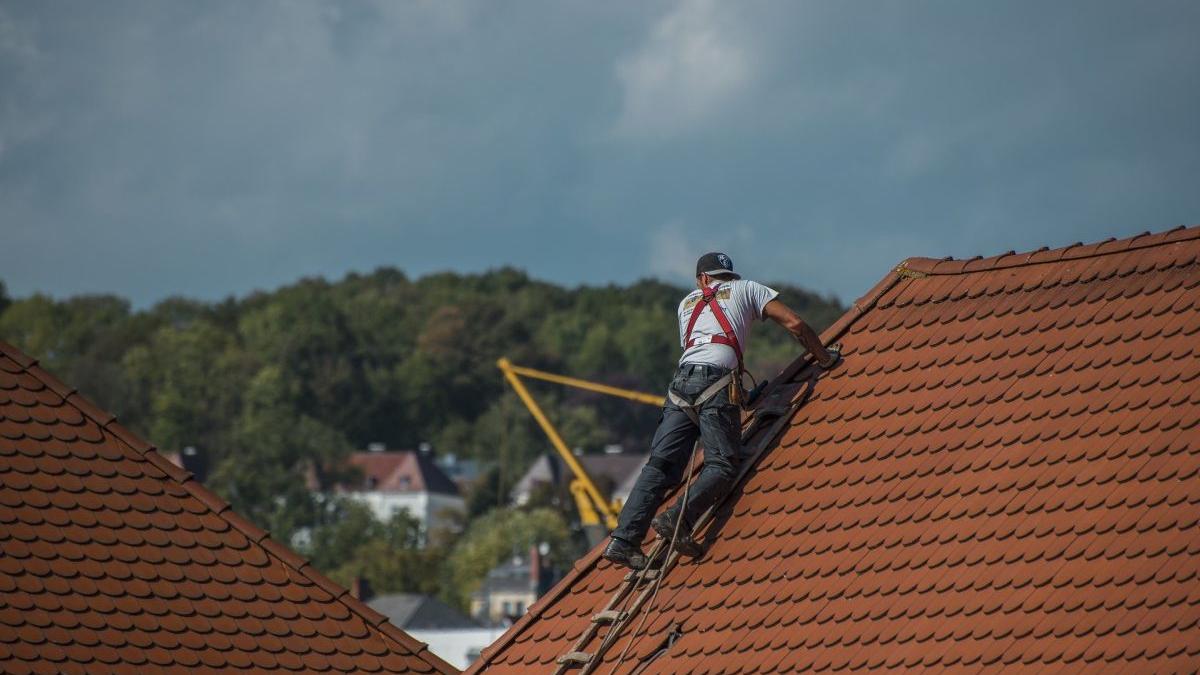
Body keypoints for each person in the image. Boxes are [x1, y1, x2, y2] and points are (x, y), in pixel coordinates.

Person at [601, 252, 838, 570]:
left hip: (681, 386)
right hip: (716, 382)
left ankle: (623, 540)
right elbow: (794, 324)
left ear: (701, 280)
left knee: (660, 466)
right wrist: (824, 357)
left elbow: (702, 347)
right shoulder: (748, 289)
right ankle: (677, 520)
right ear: (724, 277)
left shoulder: (685, 304)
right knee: (723, 465)